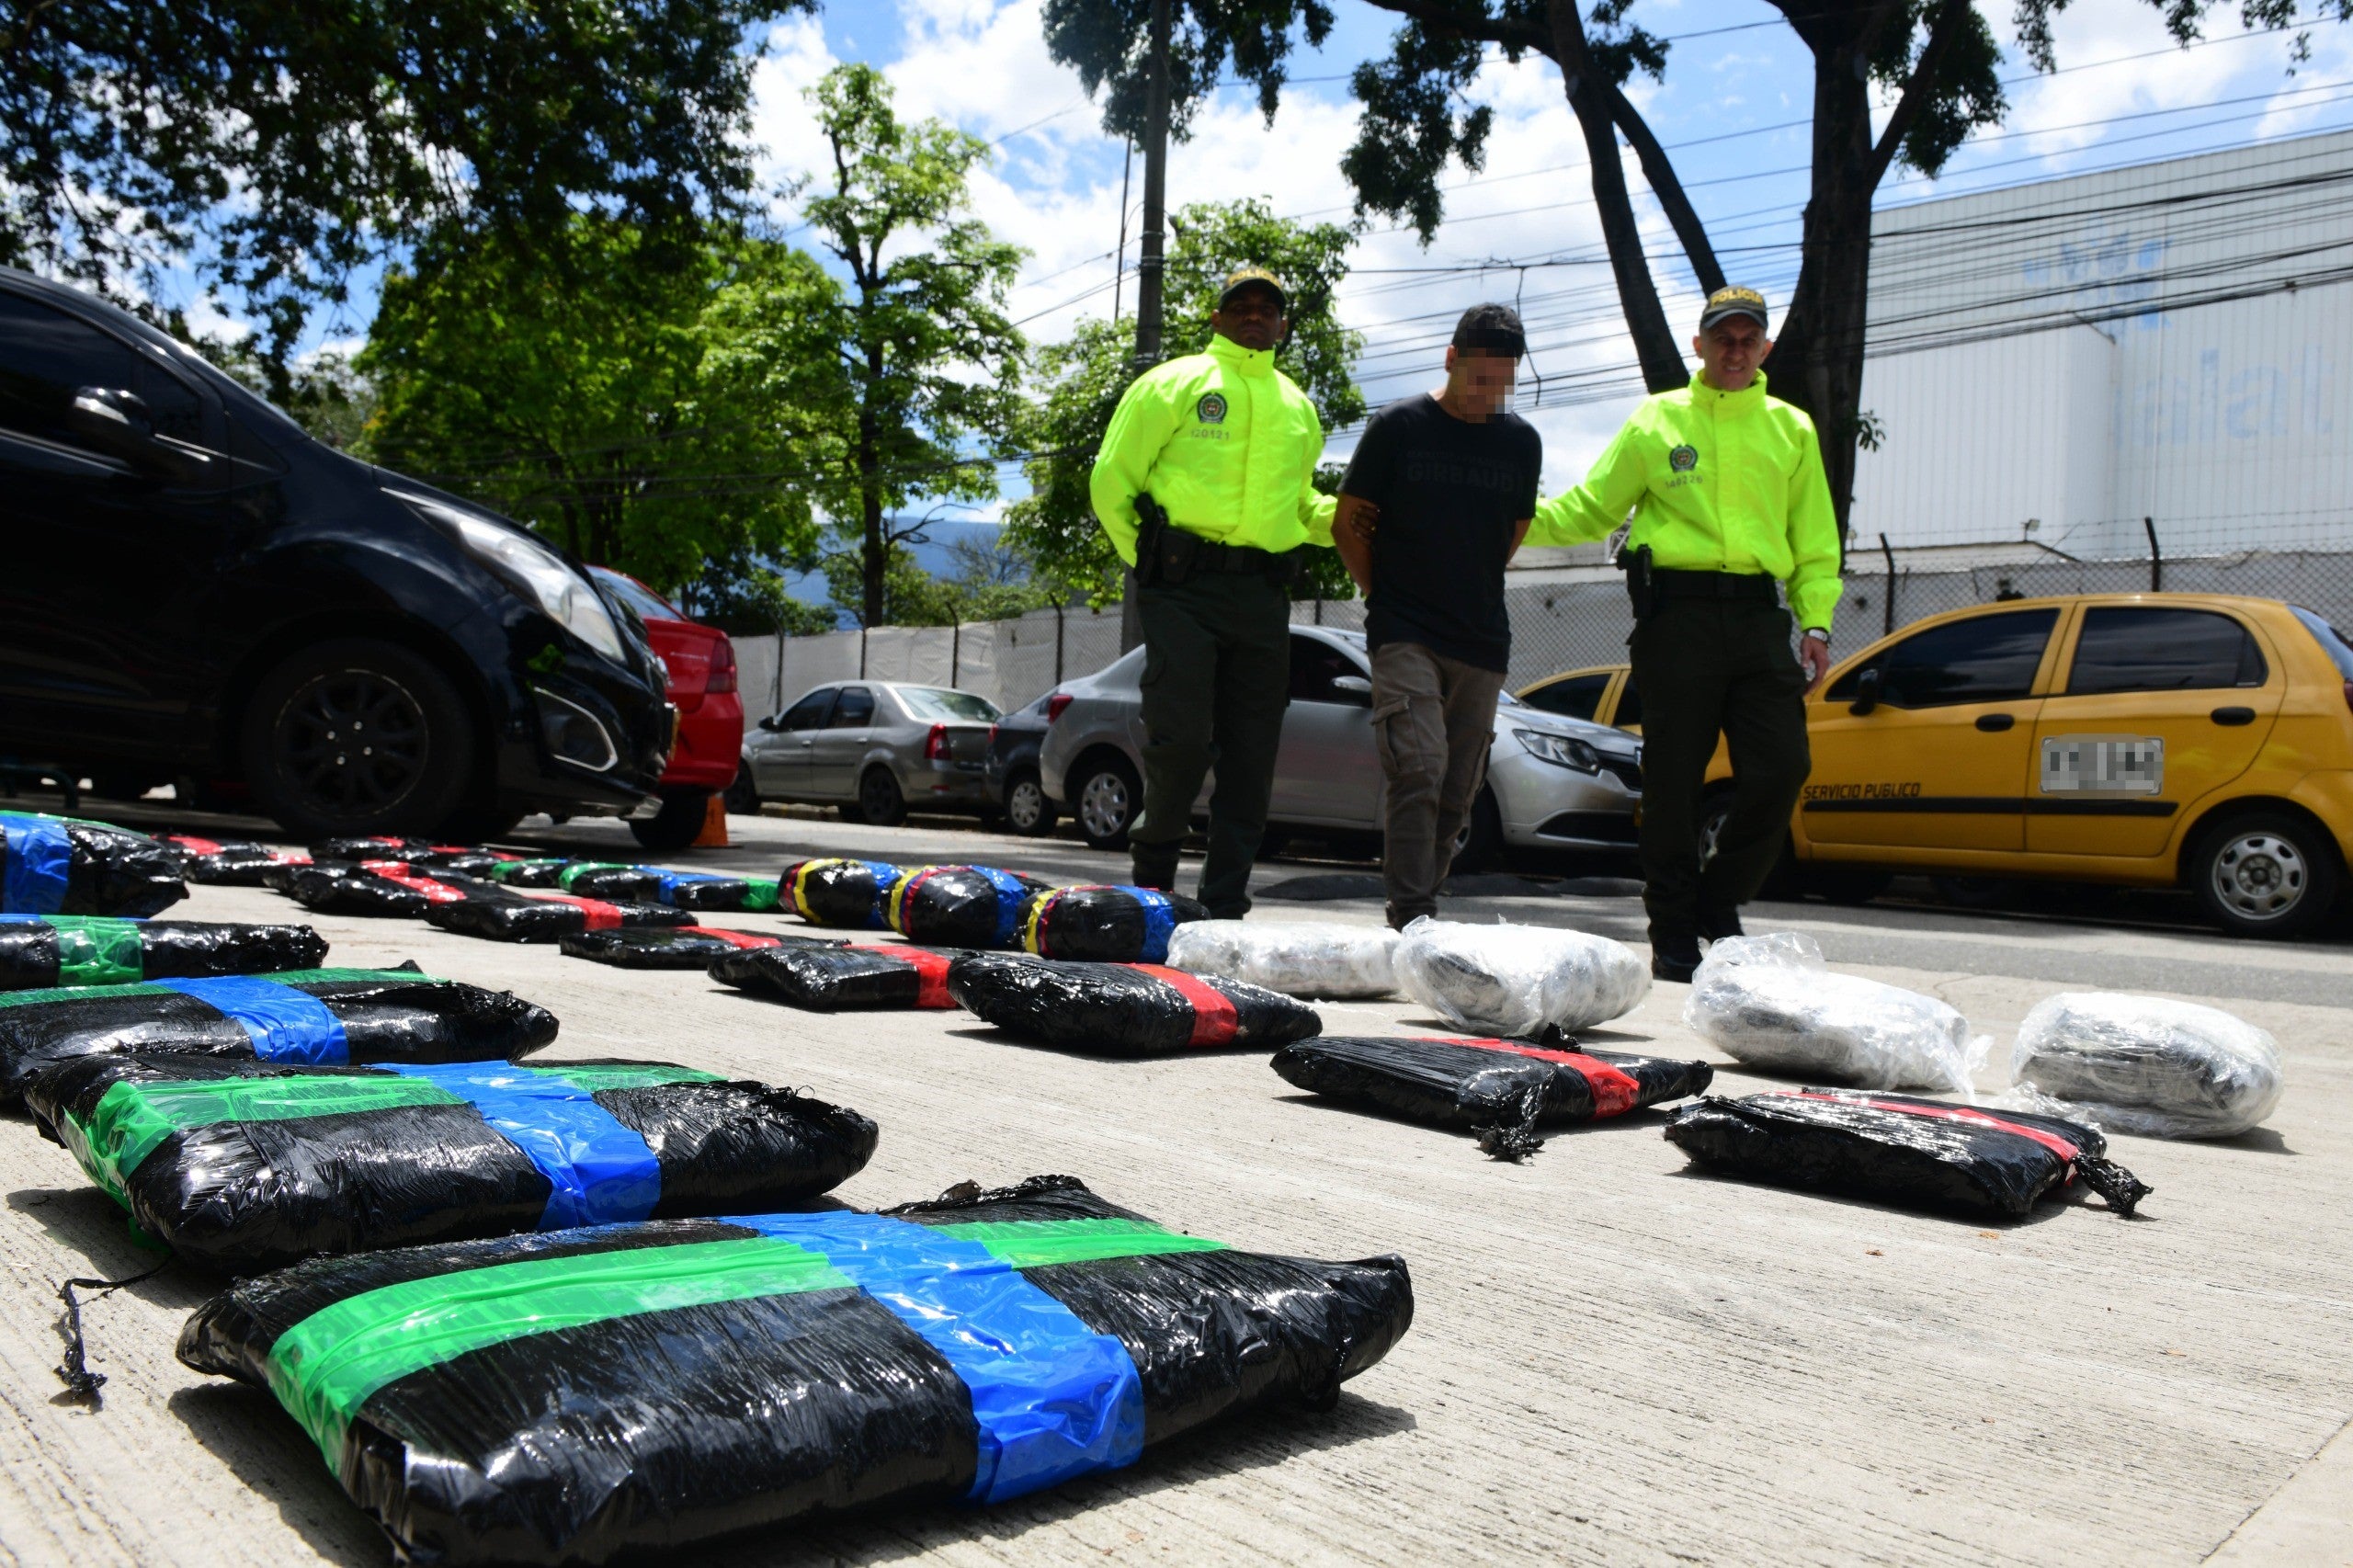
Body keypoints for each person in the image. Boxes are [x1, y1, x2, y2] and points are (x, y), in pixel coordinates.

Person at [1527, 284, 1841, 982]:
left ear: (1763, 348)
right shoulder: (1657, 421)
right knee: (1672, 783)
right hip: (1678, 619)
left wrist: (1815, 617)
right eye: (1722, 337)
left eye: (1747, 338)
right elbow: (1588, 508)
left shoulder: (1791, 428)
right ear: (1698, 345)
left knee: (1783, 766)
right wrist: (1512, 519)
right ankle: (1672, 928)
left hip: (1762, 620)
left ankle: (1718, 898)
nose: (1735, 349)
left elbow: (1814, 539)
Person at [1089, 267, 1336, 917]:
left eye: (1268, 308)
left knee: (1253, 754)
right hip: (1183, 589)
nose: (1255, 315)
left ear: (1283, 325)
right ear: (1217, 319)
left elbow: (1301, 504)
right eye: (1241, 306)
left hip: (1262, 595)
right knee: (1182, 740)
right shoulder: (1173, 383)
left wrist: (1348, 520)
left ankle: (1225, 904)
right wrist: (1149, 565)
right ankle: (1154, 891)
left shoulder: (1297, 407)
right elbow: (1112, 480)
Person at [1332, 303, 1541, 929]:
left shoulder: (1520, 443)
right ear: (1451, 360)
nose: (1489, 394)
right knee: (1419, 766)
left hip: (1481, 637)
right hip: (1404, 630)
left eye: (1501, 383)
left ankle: (1423, 897)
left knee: (1457, 790)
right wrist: (1389, 596)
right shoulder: (1399, 427)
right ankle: (1412, 915)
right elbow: (1349, 524)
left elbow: (1510, 535)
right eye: (1479, 379)